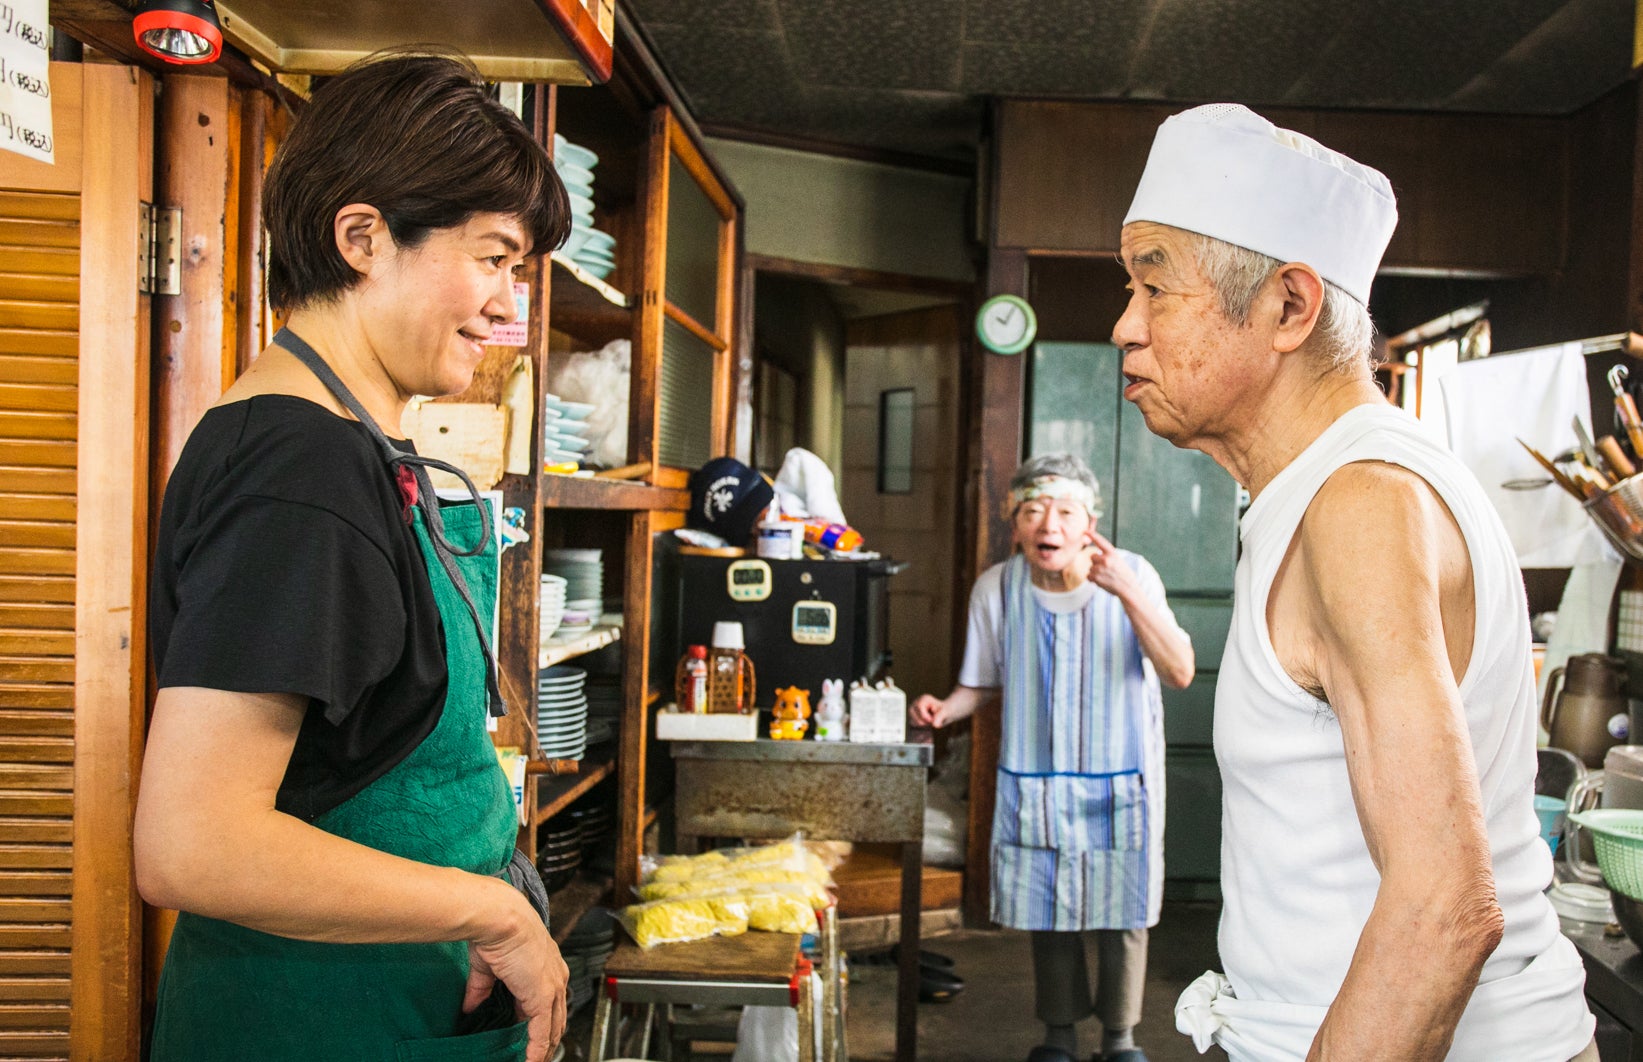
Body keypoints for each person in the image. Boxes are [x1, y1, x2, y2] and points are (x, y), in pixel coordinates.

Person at [1114, 104, 1596, 1060]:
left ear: (1289, 307)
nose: (1125, 324)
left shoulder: (1359, 505)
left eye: (1155, 286)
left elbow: (1443, 909)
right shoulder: (1326, 487)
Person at [133, 51, 572, 1062]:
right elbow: (193, 843)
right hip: (317, 1020)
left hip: (393, 999)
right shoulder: (300, 469)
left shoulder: (348, 442)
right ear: (362, 238)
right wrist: (494, 913)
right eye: (494, 258)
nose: (510, 308)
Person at [911, 453, 1195, 1062]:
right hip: (1036, 780)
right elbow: (981, 682)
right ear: (1014, 523)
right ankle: (1058, 1038)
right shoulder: (997, 587)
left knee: (1124, 911)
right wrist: (945, 709)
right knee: (1049, 905)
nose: (1050, 525)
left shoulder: (1135, 574)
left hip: (1121, 780)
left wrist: (1125, 591)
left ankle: (1120, 1041)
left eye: (1066, 511)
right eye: (1033, 510)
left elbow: (1179, 670)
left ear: (1090, 521)